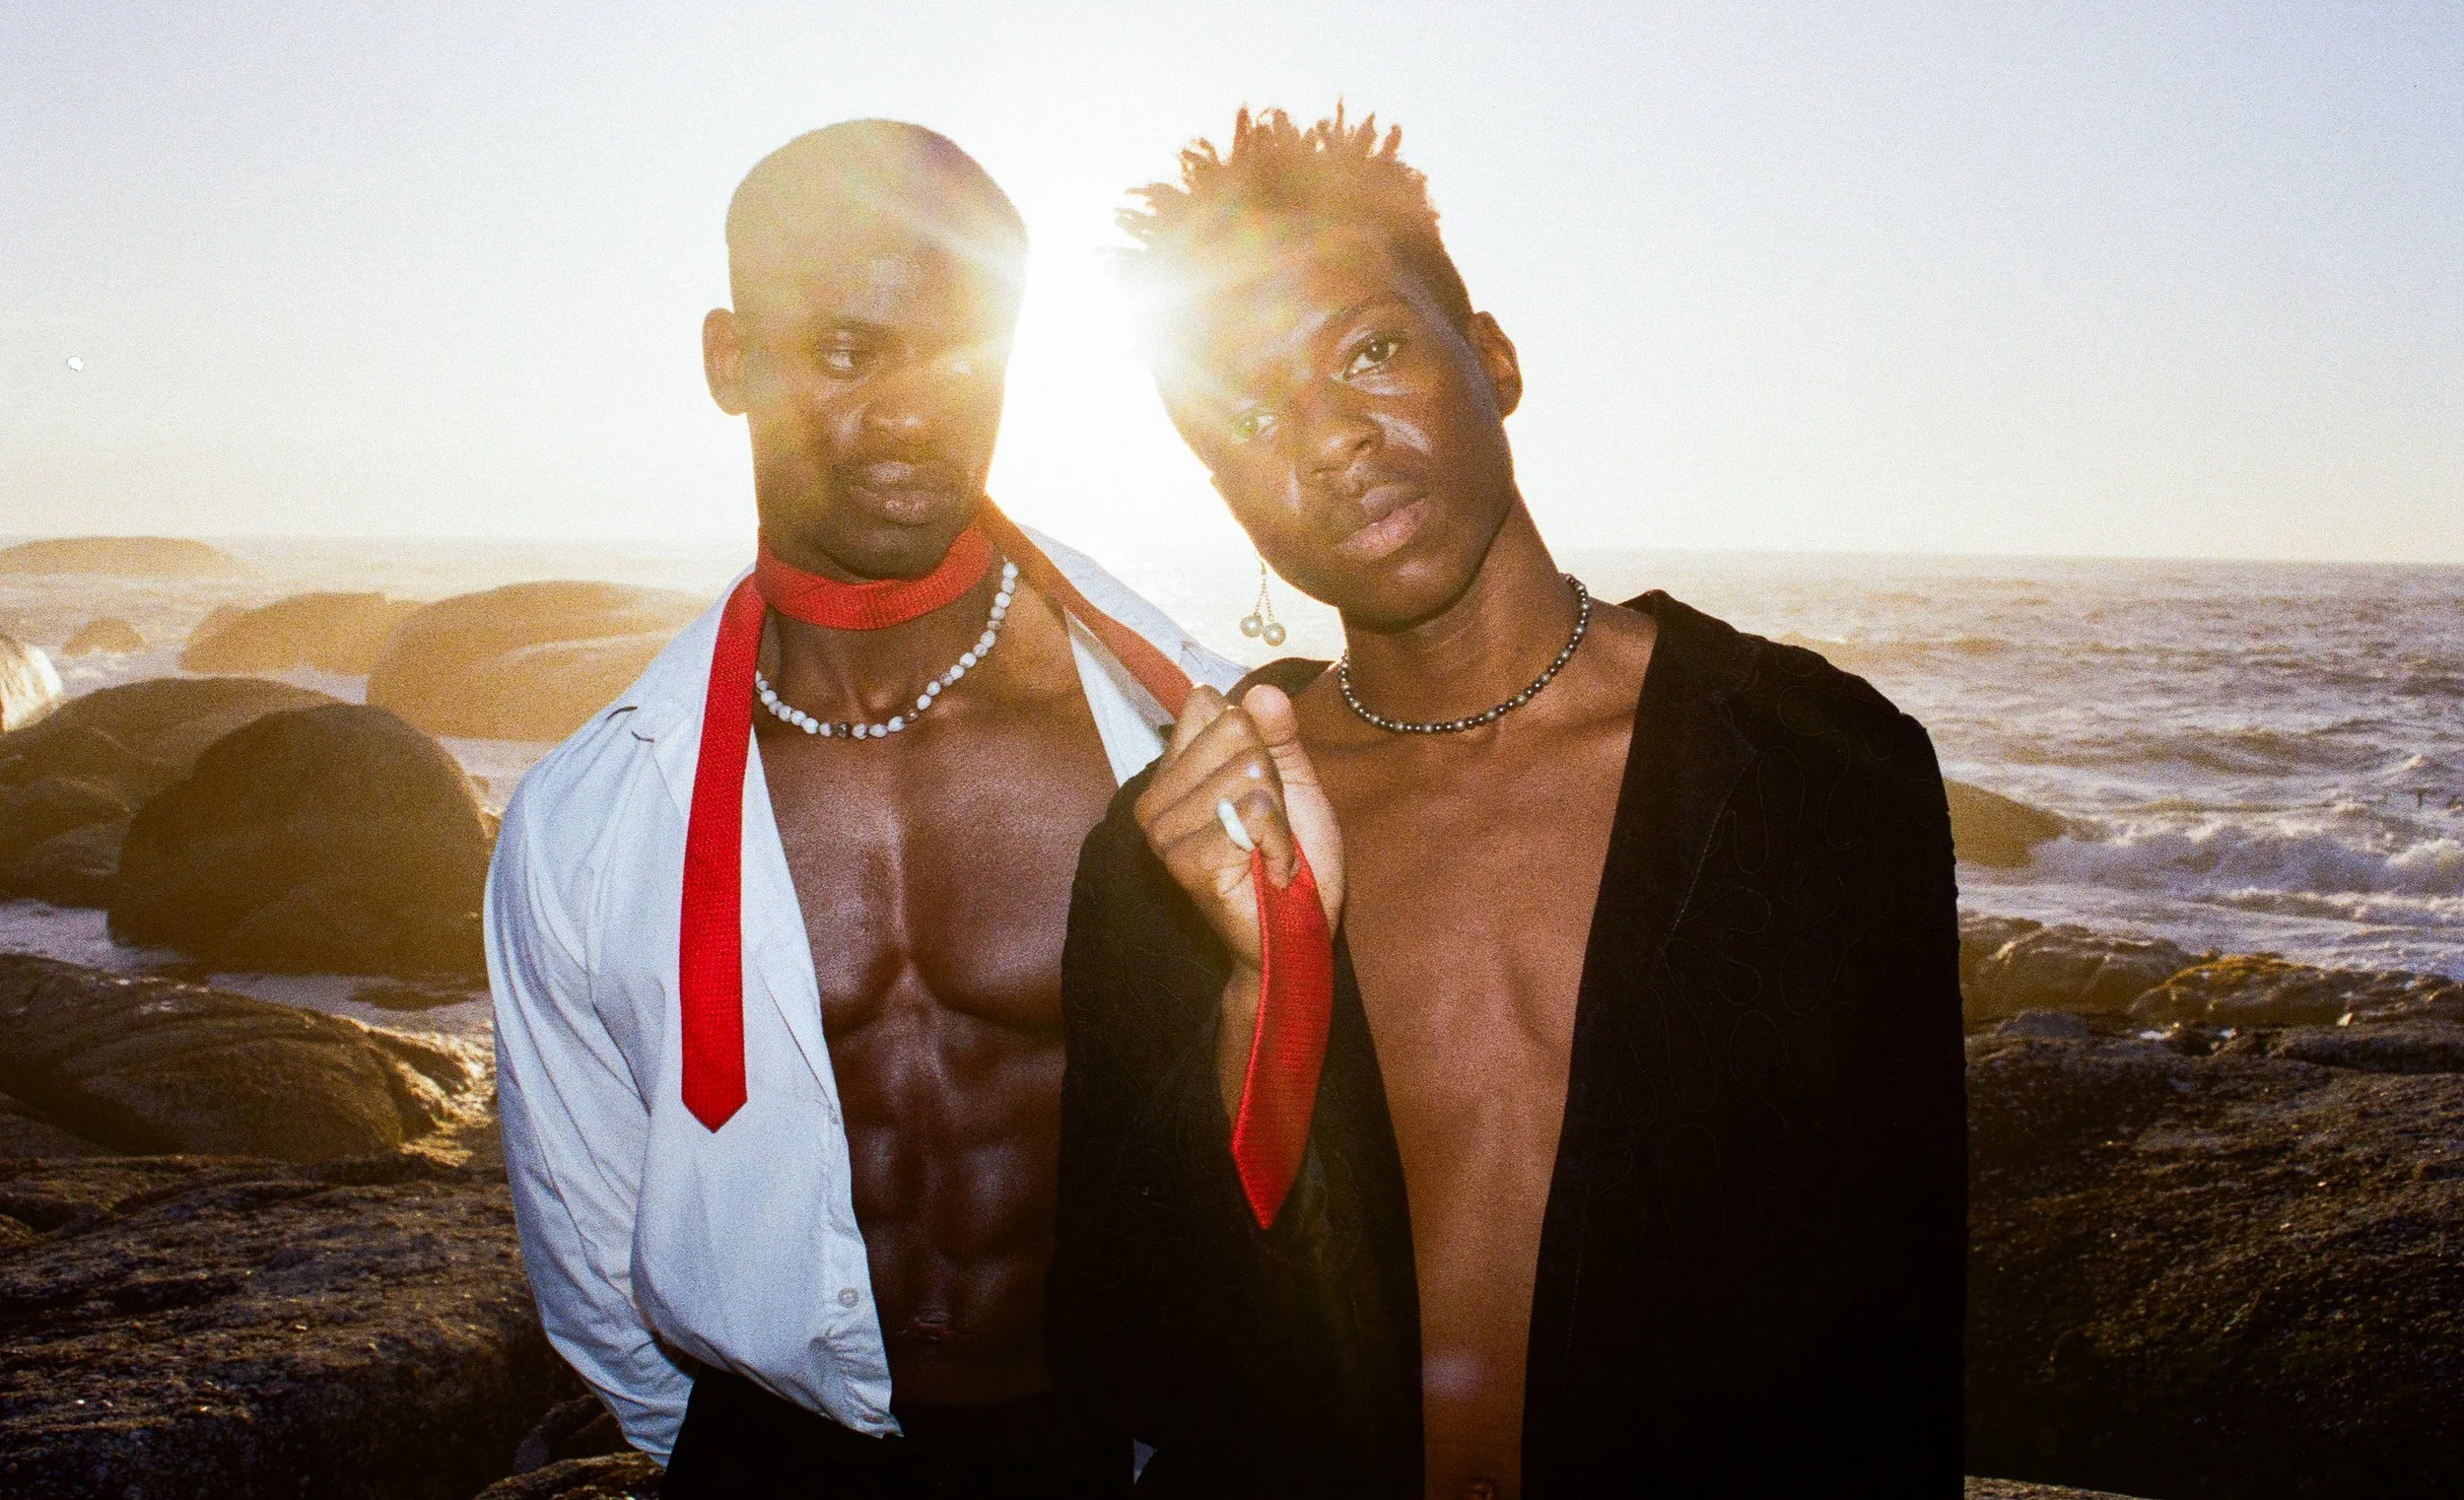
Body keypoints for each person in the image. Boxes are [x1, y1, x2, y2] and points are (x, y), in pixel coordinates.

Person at [1050, 108, 1967, 1497]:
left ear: (1492, 358)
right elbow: (1128, 1354)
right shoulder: (1173, 844)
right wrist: (1259, 988)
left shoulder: (1815, 766)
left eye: (1370, 352)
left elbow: (1892, 1336)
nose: (1330, 441)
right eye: (1249, 416)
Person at [487, 120, 1238, 1496]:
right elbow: (586, 1231)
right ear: (731, 361)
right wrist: (708, 1451)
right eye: (848, 350)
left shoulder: (1194, 735)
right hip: (778, 1457)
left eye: (964, 354)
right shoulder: (591, 822)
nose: (912, 413)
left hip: (1115, 1451)